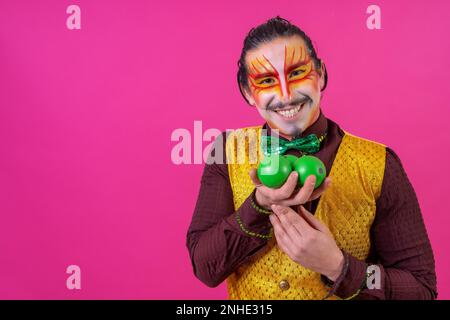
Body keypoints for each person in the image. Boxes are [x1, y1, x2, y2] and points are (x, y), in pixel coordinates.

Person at [186, 16, 437, 300]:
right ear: (247, 93)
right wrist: (259, 205)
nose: (285, 95)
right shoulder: (226, 152)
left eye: (296, 74)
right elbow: (206, 268)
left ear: (321, 75)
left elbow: (421, 290)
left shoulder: (379, 163)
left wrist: (338, 266)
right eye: (267, 81)